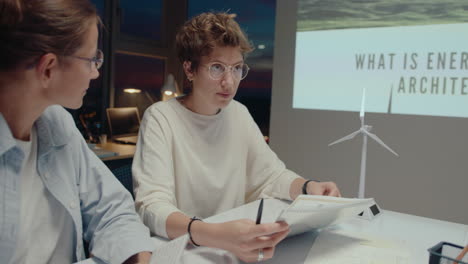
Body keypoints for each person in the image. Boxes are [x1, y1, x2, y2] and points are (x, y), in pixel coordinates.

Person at [132, 12, 341, 263]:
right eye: (217, 68)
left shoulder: (238, 113)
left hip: (232, 246)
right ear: (189, 68)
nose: (229, 82)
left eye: (236, 68)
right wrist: (213, 234)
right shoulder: (161, 118)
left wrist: (309, 188)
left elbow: (271, 175)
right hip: (185, 250)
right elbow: (151, 207)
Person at [0, 0, 154, 263]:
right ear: (48, 68)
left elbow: (113, 210)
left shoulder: (58, 124)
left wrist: (132, 255)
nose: (95, 73)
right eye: (92, 59)